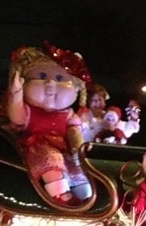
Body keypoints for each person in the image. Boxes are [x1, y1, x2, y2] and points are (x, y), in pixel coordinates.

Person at [7, 42, 93, 205]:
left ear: (75, 89)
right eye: (42, 77)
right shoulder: (30, 111)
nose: (50, 84)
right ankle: (60, 195)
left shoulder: (68, 114)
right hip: (38, 147)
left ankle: (84, 194)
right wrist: (16, 93)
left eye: (60, 78)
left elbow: (74, 132)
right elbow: (17, 117)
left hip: (64, 148)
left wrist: (78, 148)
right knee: (51, 161)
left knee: (76, 165)